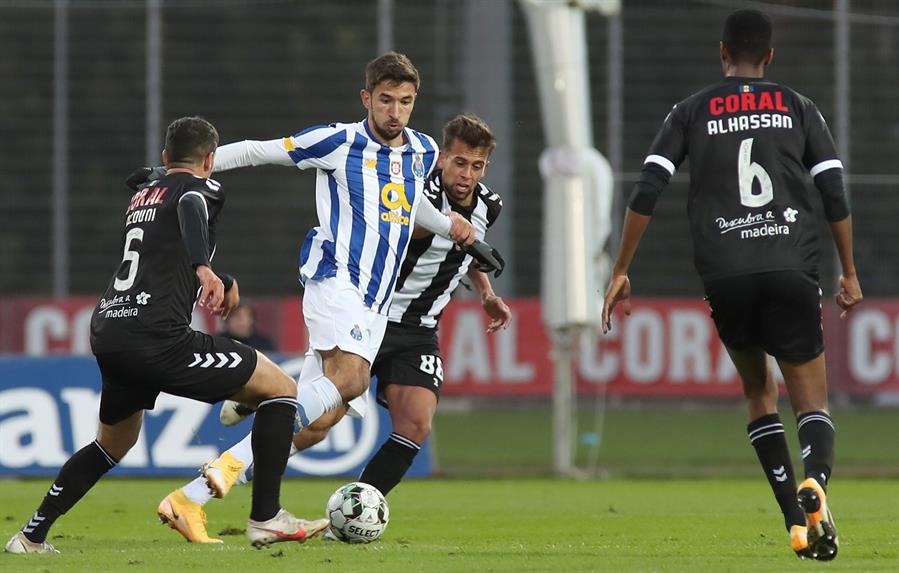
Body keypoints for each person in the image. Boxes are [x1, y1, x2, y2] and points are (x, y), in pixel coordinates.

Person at [156, 113, 511, 544]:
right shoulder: (414, 177)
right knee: (317, 422)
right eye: (458, 163)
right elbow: (413, 224)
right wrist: (173, 175)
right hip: (363, 309)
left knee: (414, 424)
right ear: (442, 158)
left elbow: (464, 254)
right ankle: (237, 442)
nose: (466, 174)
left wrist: (487, 291)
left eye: (477, 166)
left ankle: (353, 514)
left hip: (416, 326)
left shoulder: (488, 205)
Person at [601, 9, 862, 561]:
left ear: (723, 53)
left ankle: (795, 517)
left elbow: (649, 188)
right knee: (810, 396)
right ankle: (815, 478)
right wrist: (849, 270)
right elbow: (834, 193)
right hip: (792, 265)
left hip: (726, 271)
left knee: (756, 390)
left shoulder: (690, 110)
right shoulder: (798, 106)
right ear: (769, 56)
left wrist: (622, 268)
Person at [4, 117, 328, 555]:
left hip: (111, 331)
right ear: (210, 160)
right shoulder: (202, 190)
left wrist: (219, 275)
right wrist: (204, 267)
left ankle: (30, 536)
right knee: (282, 391)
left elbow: (161, 255)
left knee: (110, 444)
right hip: (157, 339)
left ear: (164, 157)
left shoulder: (142, 196)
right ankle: (266, 517)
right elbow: (191, 203)